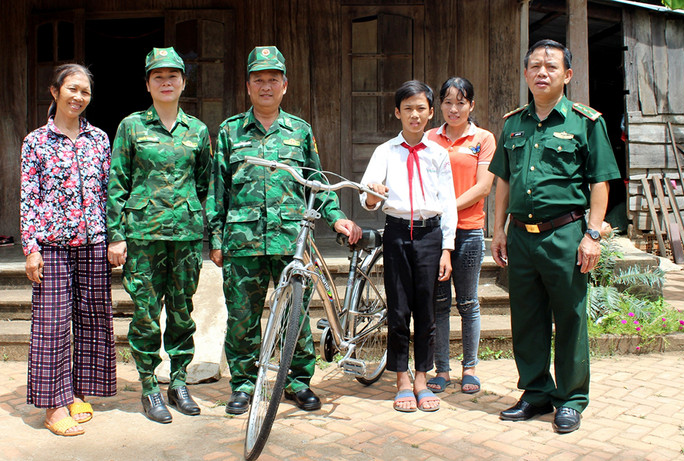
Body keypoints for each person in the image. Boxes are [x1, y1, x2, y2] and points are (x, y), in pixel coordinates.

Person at [207, 46, 362, 415]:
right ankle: (244, 385)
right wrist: (215, 240)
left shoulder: (299, 131)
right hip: (241, 242)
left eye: (272, 79)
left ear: (284, 85)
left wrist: (335, 215)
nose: (266, 86)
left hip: (292, 240)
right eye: (258, 79)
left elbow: (316, 183)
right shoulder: (230, 131)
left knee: (296, 315)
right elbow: (218, 190)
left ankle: (296, 382)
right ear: (248, 86)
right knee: (242, 319)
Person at [489, 39, 619, 434]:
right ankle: (535, 392)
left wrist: (592, 234)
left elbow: (601, 181)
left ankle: (571, 399)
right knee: (526, 319)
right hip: (522, 239)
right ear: (526, 73)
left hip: (566, 234)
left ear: (568, 75)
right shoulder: (513, 123)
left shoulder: (586, 122)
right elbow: (504, 182)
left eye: (550, 66)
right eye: (535, 66)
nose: (542, 72)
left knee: (570, 317)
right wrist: (498, 229)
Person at [107, 47, 211, 423]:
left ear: (183, 82)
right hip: (143, 236)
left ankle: (178, 380)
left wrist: (203, 227)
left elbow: (205, 184)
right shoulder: (131, 126)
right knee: (147, 314)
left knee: (182, 311)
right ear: (148, 83)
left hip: (184, 235)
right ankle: (149, 385)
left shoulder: (198, 130)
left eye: (172, 76)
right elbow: (117, 183)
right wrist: (116, 235)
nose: (166, 82)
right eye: (158, 77)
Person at [20, 63, 116, 437]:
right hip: (52, 244)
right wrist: (31, 247)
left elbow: (108, 193)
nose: (78, 97)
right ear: (55, 91)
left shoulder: (99, 139)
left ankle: (76, 393)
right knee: (52, 324)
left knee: (93, 320)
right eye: (72, 89)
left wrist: (113, 237)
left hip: (93, 242)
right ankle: (53, 405)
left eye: (85, 92)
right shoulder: (36, 142)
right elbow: (29, 197)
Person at [359, 80, 458, 412]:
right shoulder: (385, 151)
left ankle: (421, 377)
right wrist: (374, 193)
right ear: (397, 113)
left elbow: (448, 202)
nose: (414, 115)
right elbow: (368, 198)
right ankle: (401, 378)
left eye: (420, 109)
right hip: (398, 233)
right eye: (407, 109)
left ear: (431, 112)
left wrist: (447, 247)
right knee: (399, 308)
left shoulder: (439, 154)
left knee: (426, 310)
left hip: (430, 236)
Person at [426, 77, 496, 395]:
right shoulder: (428, 138)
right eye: (448, 102)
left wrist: (447, 208)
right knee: (438, 304)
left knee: (467, 302)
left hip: (469, 231)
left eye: (461, 102)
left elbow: (483, 187)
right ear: (440, 105)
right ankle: (441, 369)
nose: (454, 109)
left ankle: (470, 368)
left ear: (472, 106)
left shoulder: (483, 139)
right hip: (434, 234)